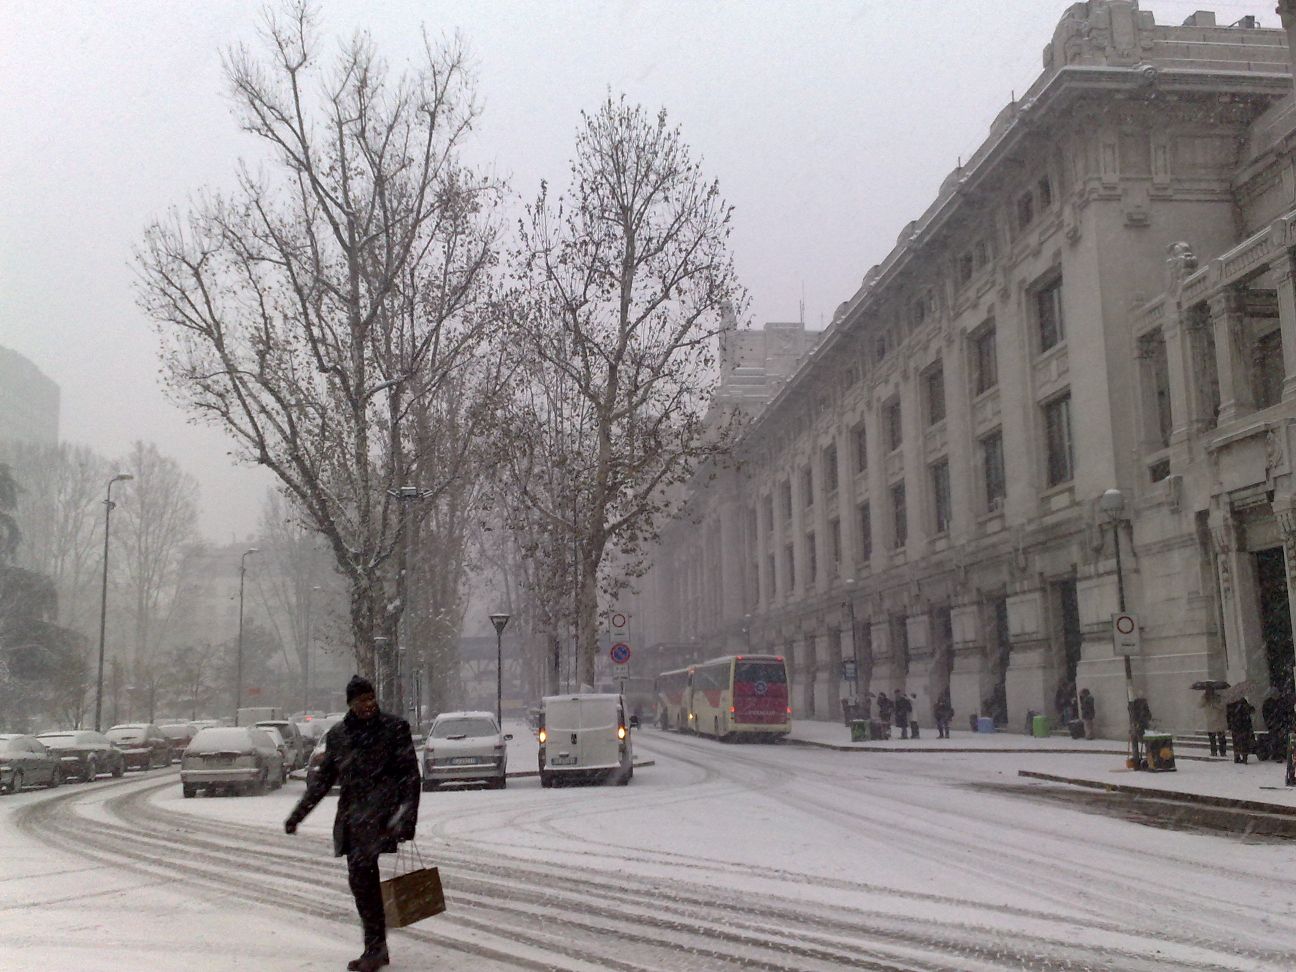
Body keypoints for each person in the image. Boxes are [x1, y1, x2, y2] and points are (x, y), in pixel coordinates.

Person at [284, 676, 421, 972]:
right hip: (353, 817)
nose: (368, 705)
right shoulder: (338, 735)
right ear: (350, 704)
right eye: (361, 701)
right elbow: (322, 782)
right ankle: (376, 947)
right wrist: (298, 815)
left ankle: (375, 949)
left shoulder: (394, 728)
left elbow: (410, 777)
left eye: (371, 698)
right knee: (361, 884)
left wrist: (406, 820)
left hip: (381, 815)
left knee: (364, 881)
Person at [1226, 695, 1255, 765]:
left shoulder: (1230, 704)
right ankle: (1244, 757)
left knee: (1236, 741)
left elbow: (1228, 715)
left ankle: (1237, 756)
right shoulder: (1243, 702)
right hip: (1243, 726)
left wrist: (1229, 725)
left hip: (1236, 726)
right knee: (1244, 742)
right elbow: (1252, 710)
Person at [1198, 686, 1227, 758]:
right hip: (1210, 720)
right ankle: (1213, 751)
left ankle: (1223, 751)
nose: (1209, 691)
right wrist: (1205, 699)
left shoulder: (1218, 697)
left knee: (1221, 737)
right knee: (1212, 738)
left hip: (1219, 720)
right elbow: (1199, 705)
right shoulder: (1205, 697)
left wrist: (1214, 704)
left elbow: (1223, 707)